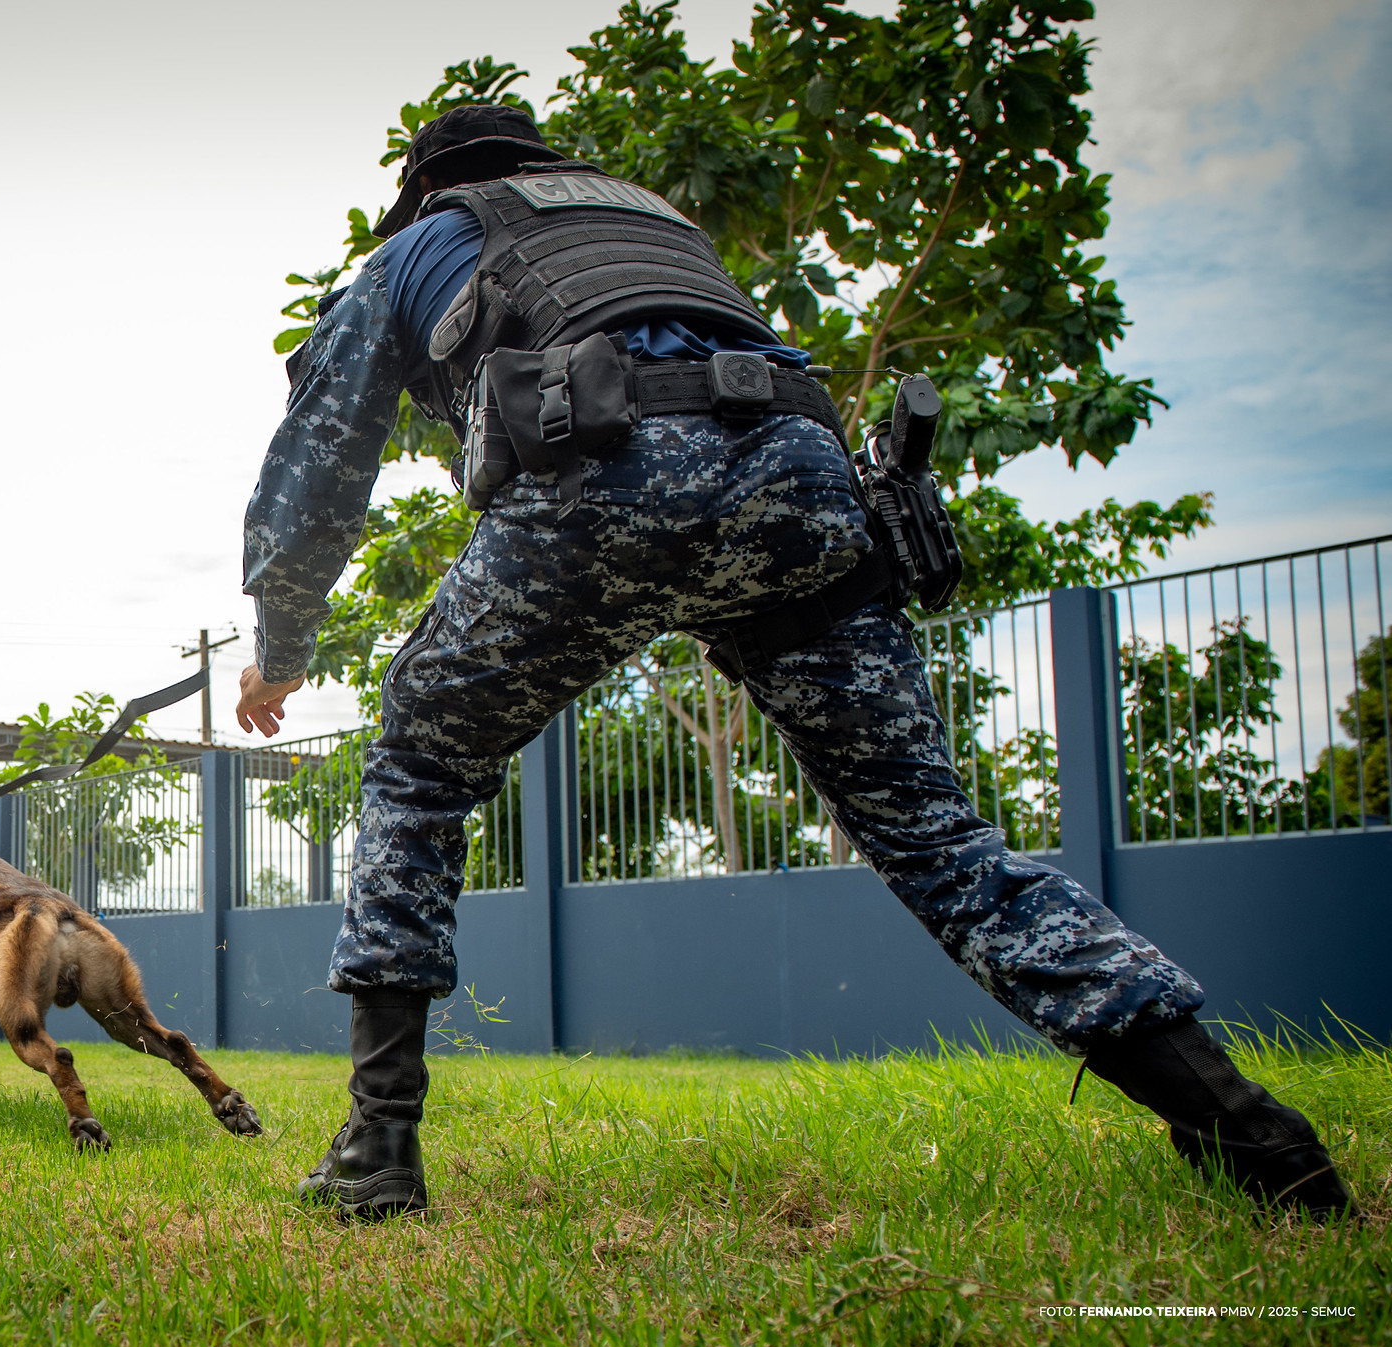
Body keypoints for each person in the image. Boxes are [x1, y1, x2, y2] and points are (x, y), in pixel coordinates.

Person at [237, 105, 1351, 1221]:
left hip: (596, 487)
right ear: (544, 164)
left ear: (424, 190)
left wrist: (279, 652)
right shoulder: (654, 220)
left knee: (420, 768)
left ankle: (376, 1146)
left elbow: (319, 465)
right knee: (935, 838)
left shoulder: (418, 247)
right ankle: (1255, 1136)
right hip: (803, 482)